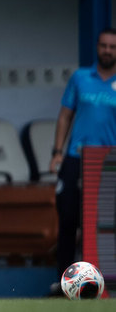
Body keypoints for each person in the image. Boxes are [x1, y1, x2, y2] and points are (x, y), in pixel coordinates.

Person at [48, 28, 116, 296]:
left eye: (113, 46)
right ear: (97, 48)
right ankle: (63, 282)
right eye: (104, 46)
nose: (108, 50)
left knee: (107, 224)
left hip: (110, 163)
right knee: (67, 219)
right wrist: (57, 151)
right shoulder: (80, 78)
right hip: (77, 158)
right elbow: (65, 115)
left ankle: (106, 282)